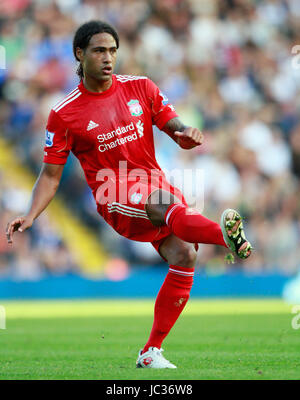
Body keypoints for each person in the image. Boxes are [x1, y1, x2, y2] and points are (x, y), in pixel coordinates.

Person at [6, 20, 252, 369]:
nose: (108, 58)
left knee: (184, 255)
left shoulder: (141, 87)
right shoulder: (63, 114)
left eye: (112, 51)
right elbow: (50, 174)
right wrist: (31, 215)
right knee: (164, 205)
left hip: (154, 182)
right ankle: (226, 238)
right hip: (115, 193)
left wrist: (184, 134)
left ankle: (150, 352)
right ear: (80, 53)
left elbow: (173, 123)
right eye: (99, 50)